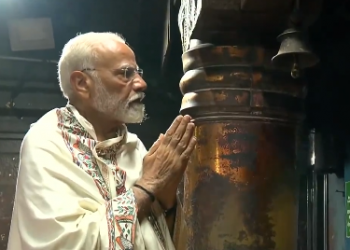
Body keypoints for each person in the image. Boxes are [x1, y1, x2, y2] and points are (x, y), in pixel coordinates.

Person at [7, 32, 196, 250]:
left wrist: (166, 199)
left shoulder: (133, 146)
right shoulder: (46, 142)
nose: (141, 83)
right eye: (126, 73)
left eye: (138, 73)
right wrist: (148, 186)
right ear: (81, 83)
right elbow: (64, 244)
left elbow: (155, 234)